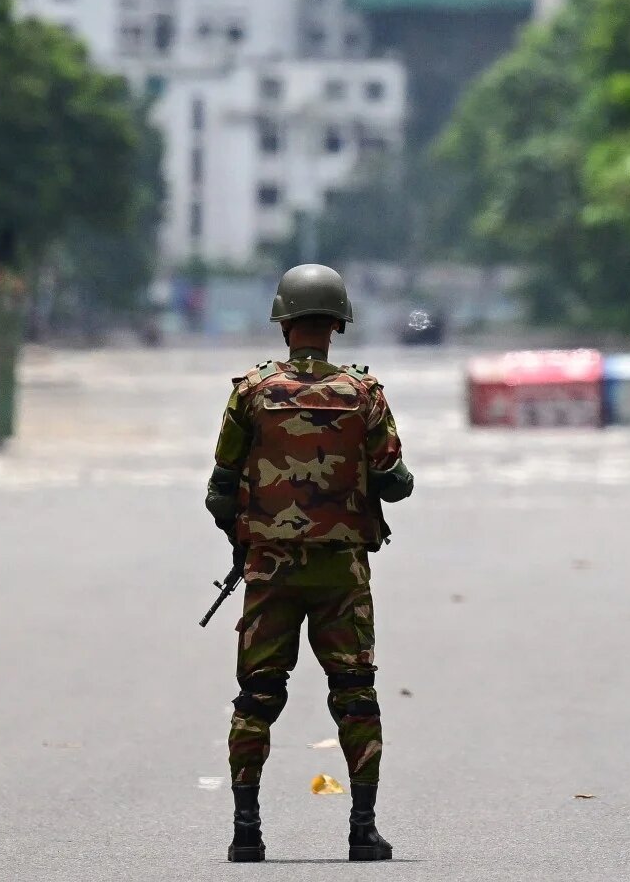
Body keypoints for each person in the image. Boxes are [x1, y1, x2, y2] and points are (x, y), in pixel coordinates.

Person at [204, 263, 416, 863]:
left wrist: (245, 540)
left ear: (284, 323)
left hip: (269, 575)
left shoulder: (250, 393)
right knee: (355, 696)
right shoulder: (365, 395)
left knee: (256, 699)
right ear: (337, 325)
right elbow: (394, 484)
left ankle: (247, 832)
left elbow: (219, 489)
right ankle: (362, 831)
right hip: (342, 578)